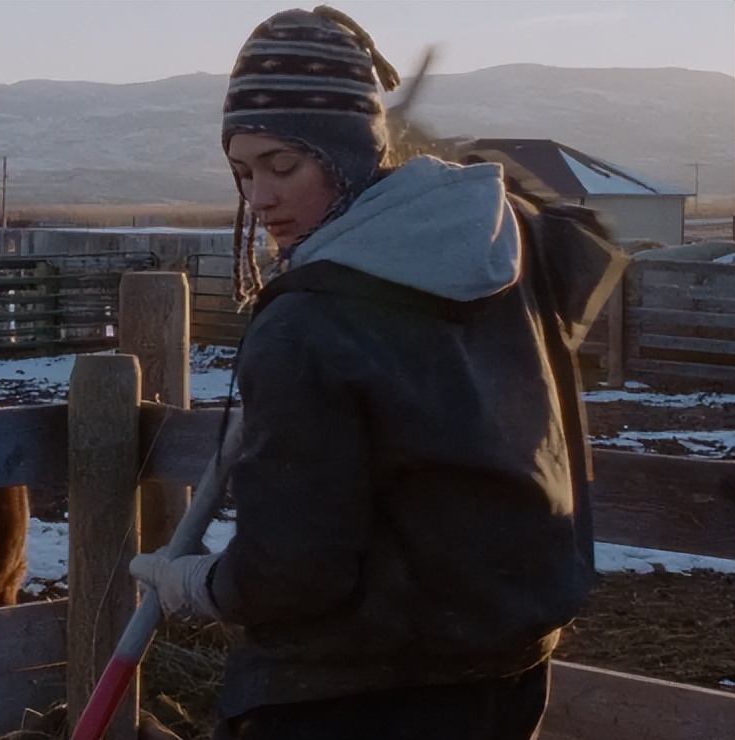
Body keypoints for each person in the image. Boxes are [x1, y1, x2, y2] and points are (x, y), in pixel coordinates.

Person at [128, 6, 627, 739]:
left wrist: (194, 583)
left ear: (350, 153)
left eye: (283, 164)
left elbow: (293, 571)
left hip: (346, 693)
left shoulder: (307, 325)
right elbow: (586, 248)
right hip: (503, 673)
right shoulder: (502, 243)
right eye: (243, 171)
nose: (259, 198)